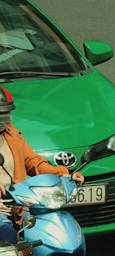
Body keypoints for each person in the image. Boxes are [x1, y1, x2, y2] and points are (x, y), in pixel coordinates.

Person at [1, 86, 84, 244]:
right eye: (0, 114)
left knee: (41, 235)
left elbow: (32, 161)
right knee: (8, 237)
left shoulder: (11, 134)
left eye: (6, 113)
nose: (4, 119)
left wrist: (63, 174)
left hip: (18, 205)